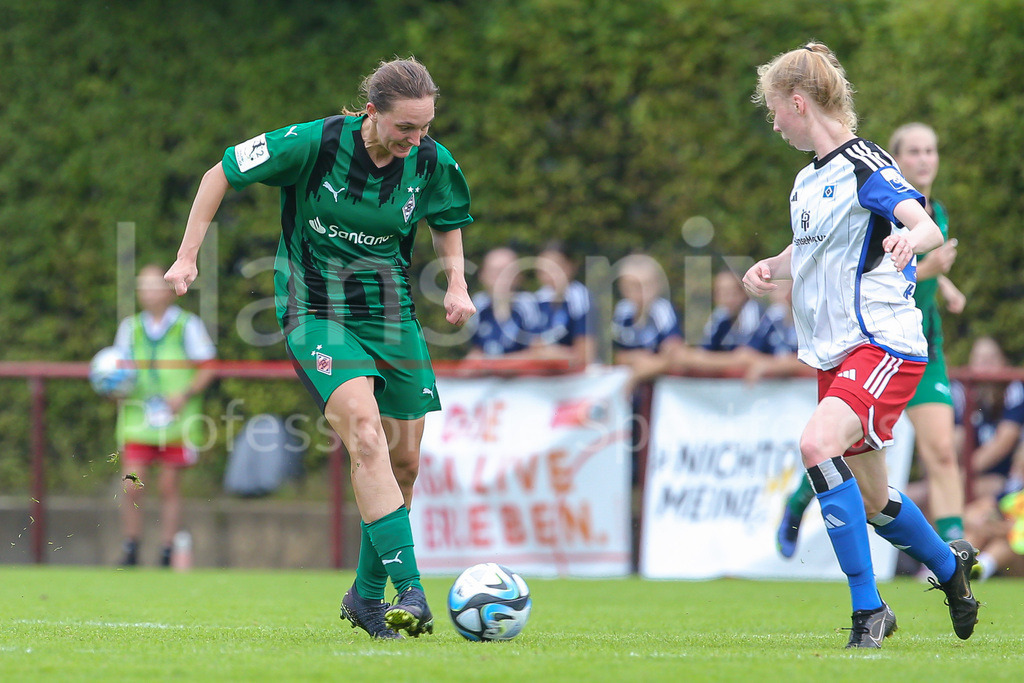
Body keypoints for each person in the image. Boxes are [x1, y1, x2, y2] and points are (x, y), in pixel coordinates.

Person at [165, 57, 474, 640]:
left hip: (393, 319)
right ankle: (410, 588)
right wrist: (187, 256)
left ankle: (365, 597)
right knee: (366, 433)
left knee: (404, 463)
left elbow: (448, 219)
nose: (416, 140)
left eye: (425, 127)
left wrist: (456, 283)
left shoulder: (432, 160)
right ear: (372, 112)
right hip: (316, 313)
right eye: (405, 127)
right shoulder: (314, 143)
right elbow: (220, 173)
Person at [745, 42, 978, 648]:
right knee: (875, 501)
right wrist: (772, 265)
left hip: (882, 344)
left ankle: (868, 610)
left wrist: (910, 240)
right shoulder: (807, 179)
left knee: (816, 445)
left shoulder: (864, 162)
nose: (774, 122)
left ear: (799, 103)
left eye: (775, 109)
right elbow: (811, 248)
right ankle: (951, 567)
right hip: (837, 352)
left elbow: (922, 223)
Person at [776, 122, 969, 559]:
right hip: (873, 342)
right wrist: (931, 270)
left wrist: (945, 285)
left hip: (919, 346)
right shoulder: (874, 197)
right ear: (894, 159)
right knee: (843, 457)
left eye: (930, 151)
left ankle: (956, 550)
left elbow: (911, 271)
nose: (924, 159)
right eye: (914, 152)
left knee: (940, 451)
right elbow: (879, 268)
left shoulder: (934, 214)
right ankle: (800, 501)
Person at [114, 264, 216, 567]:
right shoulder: (130, 327)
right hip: (138, 421)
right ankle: (131, 546)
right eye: (141, 286)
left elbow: (208, 366)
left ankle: (167, 550)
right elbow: (118, 370)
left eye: (152, 285)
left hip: (177, 423)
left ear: (168, 290)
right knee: (132, 484)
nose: (146, 292)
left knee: (168, 486)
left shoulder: (187, 325)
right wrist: (114, 388)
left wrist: (183, 394)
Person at [611, 253, 690, 387]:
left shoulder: (663, 310)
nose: (641, 292)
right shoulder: (623, 311)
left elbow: (675, 356)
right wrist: (636, 358)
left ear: (657, 286)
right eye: (633, 286)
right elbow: (619, 356)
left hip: (662, 387)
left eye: (647, 285)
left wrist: (636, 375)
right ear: (623, 288)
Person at [465, 247, 540, 358]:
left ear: (519, 276)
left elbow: (538, 353)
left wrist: (494, 363)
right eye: (495, 271)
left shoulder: (529, 304)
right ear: (482, 275)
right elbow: (477, 349)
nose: (501, 277)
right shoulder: (478, 304)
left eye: (507, 271)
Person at [530, 241, 594, 366]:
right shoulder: (537, 300)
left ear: (571, 266)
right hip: (547, 372)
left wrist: (553, 354)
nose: (550, 274)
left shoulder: (581, 299)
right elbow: (533, 348)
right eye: (544, 269)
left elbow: (585, 355)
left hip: (579, 374)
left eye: (556, 267)